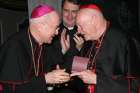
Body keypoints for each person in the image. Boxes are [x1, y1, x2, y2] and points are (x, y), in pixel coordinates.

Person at [0, 4, 70, 93]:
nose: (57, 33)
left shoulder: (43, 44)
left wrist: (63, 50)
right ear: (41, 26)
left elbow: (51, 60)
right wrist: (46, 79)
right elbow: (12, 88)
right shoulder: (14, 46)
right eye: (56, 28)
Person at [71, 4, 139, 93]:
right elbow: (76, 73)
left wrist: (97, 80)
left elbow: (134, 85)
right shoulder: (87, 41)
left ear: (93, 20)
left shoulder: (122, 41)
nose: (78, 31)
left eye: (80, 26)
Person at [51, 0, 86, 93]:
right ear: (61, 10)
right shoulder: (51, 32)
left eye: (74, 11)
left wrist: (80, 50)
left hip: (78, 89)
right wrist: (62, 51)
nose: (69, 16)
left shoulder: (86, 33)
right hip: (56, 89)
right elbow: (47, 66)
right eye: (66, 10)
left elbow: (81, 73)